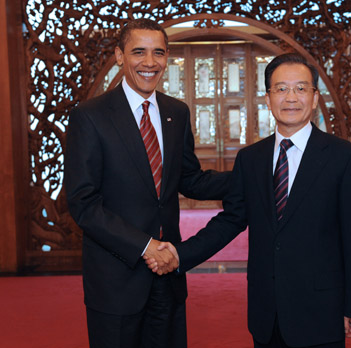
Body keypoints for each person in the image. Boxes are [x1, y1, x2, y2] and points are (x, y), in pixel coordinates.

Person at [151, 53, 351, 348]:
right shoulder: (251, 159)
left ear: (315, 97)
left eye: (300, 88)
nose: (290, 97)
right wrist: (180, 254)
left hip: (321, 309)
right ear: (268, 98)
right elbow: (231, 220)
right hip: (266, 311)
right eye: (281, 89)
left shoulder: (345, 158)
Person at [64, 18, 229, 348]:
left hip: (168, 274)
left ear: (167, 57)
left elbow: (190, 180)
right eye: (138, 52)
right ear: (119, 56)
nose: (149, 62)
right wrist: (145, 245)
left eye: (159, 53)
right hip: (116, 278)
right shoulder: (90, 115)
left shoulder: (176, 112)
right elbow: (83, 202)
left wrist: (251, 174)